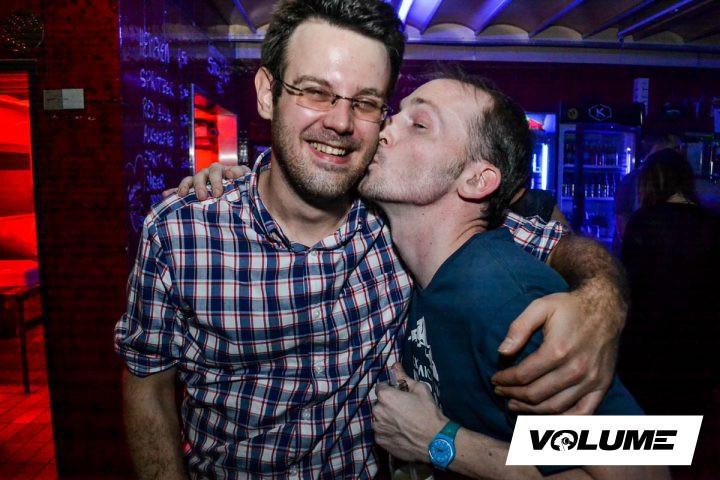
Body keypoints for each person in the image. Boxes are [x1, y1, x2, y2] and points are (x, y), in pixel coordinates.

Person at [116, 1, 627, 478]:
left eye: (366, 103)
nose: (341, 122)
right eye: (315, 92)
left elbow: (640, 454)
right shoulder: (181, 232)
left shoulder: (410, 225)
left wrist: (601, 301)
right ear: (268, 93)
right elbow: (148, 386)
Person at [367, 74, 667, 479]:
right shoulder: (432, 272)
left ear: (477, 180)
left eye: (419, 124)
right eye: (395, 115)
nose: (383, 130)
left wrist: (441, 441)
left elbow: (645, 468)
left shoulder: (504, 298)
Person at [619, 148, 720, 415]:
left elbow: (628, 284)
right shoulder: (712, 223)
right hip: (699, 344)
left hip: (648, 344)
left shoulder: (644, 221)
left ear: (650, 182)